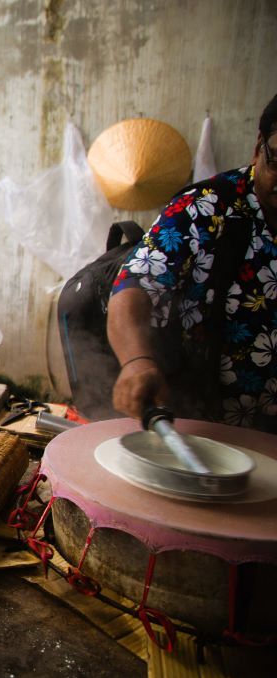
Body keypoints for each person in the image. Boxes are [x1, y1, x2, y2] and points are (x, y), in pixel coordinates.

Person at [108, 93, 277, 431]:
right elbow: (136, 282)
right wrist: (137, 361)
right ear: (259, 147)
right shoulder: (205, 209)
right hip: (200, 426)